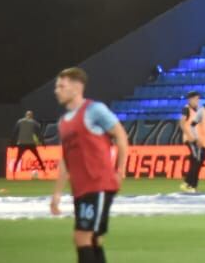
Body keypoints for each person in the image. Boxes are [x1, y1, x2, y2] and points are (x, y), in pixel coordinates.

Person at [48, 67, 127, 263]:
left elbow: (120, 135)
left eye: (61, 85)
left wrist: (120, 171)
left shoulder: (94, 110)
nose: (56, 90)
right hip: (81, 188)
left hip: (98, 184)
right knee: (94, 239)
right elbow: (65, 160)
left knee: (81, 237)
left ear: (76, 87)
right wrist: (57, 193)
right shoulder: (63, 122)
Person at [177, 93, 202, 193]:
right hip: (190, 139)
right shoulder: (186, 109)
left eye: (197, 99)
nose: (196, 101)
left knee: (196, 161)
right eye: (194, 99)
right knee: (196, 159)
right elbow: (182, 123)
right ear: (190, 99)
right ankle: (190, 184)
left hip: (197, 139)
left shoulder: (199, 110)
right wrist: (189, 135)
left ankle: (191, 184)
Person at [12, 110, 45, 177]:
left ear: (25, 115)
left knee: (18, 158)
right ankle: (45, 172)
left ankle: (13, 173)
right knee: (38, 157)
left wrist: (12, 143)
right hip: (30, 143)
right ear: (32, 115)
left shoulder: (19, 121)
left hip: (21, 143)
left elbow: (15, 132)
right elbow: (38, 133)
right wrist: (43, 142)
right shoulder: (34, 122)